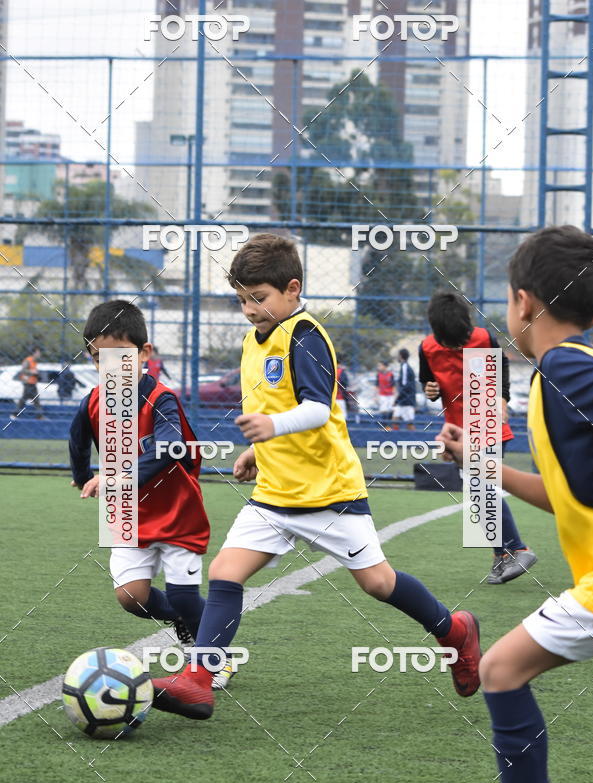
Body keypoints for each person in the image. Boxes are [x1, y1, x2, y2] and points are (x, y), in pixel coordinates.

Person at [151, 232, 482, 720]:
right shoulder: (252, 341)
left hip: (330, 496)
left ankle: (453, 631)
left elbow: (313, 410)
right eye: (241, 299)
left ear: (292, 288)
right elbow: (274, 407)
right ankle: (199, 681)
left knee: (378, 583)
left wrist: (269, 428)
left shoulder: (305, 337)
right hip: (275, 495)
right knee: (224, 573)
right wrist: (257, 451)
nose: (248, 309)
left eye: (257, 298)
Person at [438, 225, 593, 783]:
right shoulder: (562, 373)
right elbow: (571, 497)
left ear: (524, 302)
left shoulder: (564, 366)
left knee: (501, 669)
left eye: (506, 298)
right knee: (505, 668)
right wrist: (482, 463)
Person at [68, 301, 224, 684]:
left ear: (144, 353)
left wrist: (113, 477)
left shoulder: (162, 399)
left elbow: (167, 453)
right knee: (130, 597)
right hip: (125, 514)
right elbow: (77, 438)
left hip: (176, 511)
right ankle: (186, 624)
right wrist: (81, 473)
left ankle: (215, 653)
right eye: (98, 359)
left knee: (186, 596)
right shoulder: (93, 400)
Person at [419, 290, 536, 585]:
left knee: (481, 488)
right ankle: (502, 556)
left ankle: (517, 549)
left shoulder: (483, 339)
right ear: (438, 333)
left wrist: (503, 398)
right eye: (451, 342)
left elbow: (502, 368)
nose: (458, 345)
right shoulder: (427, 348)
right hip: (458, 433)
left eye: (462, 339)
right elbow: (428, 382)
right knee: (478, 495)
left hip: (488, 425)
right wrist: (429, 390)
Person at [11, 346, 44, 419]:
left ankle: (39, 416)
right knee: (27, 399)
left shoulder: (34, 361)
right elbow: (23, 370)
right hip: (28, 383)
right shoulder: (28, 360)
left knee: (33, 399)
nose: (40, 354)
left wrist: (37, 374)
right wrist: (32, 371)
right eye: (38, 352)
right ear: (34, 353)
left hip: (32, 383)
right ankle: (15, 414)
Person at [392, 347, 416, 429]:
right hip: (404, 399)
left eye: (398, 355)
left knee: (409, 423)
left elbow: (404, 385)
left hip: (406, 399)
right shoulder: (404, 366)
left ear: (401, 356)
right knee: (395, 419)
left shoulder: (405, 367)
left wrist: (397, 399)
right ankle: (395, 436)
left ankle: (414, 438)